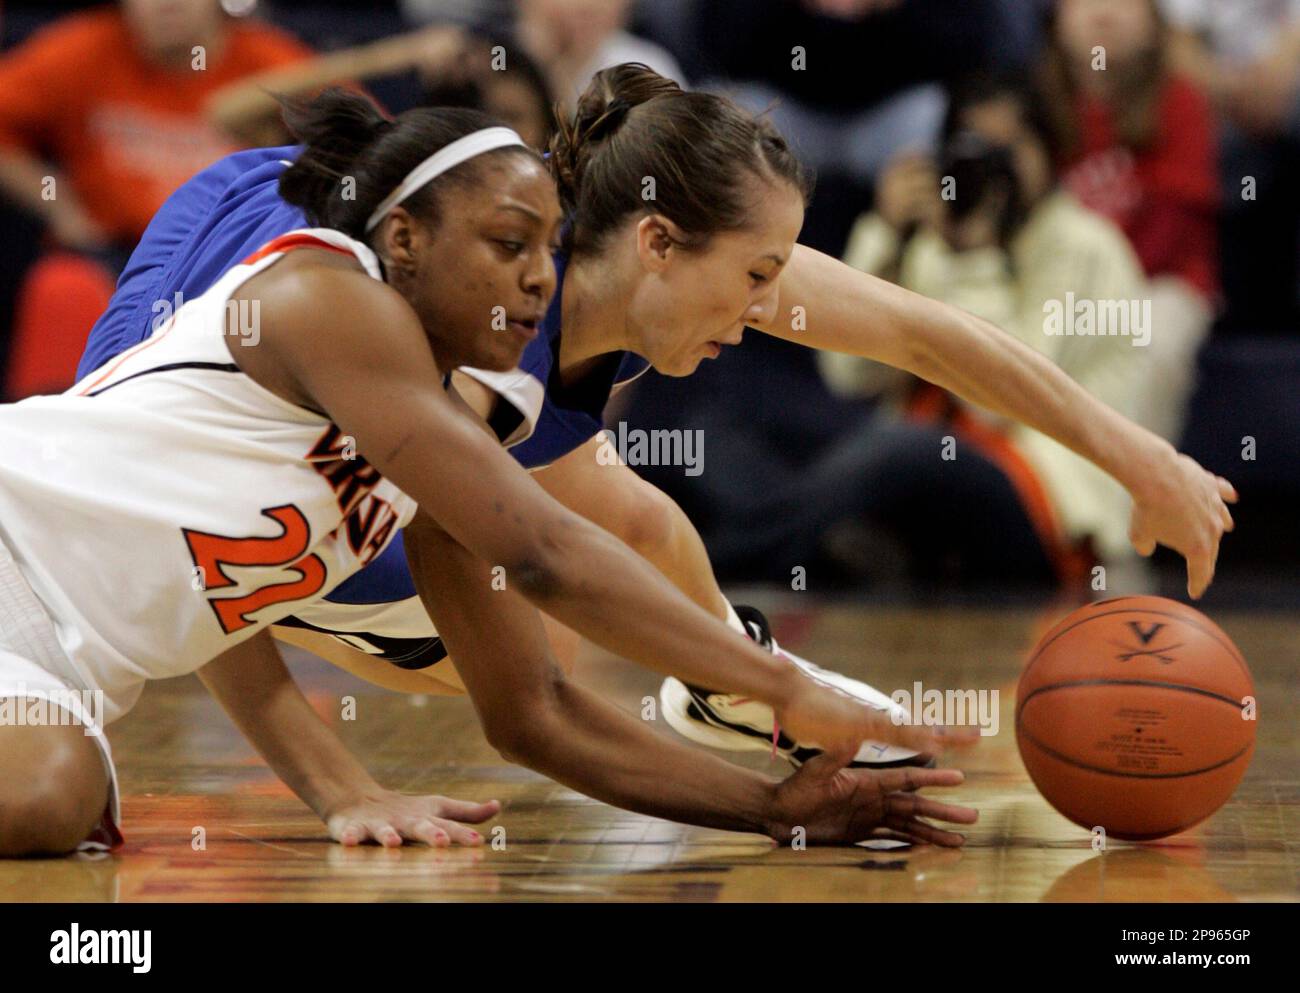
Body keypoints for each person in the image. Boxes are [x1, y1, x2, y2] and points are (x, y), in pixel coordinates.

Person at [81, 65, 1235, 844]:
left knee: (623, 531)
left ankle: (733, 693)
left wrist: (1144, 459)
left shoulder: (622, 228)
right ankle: (750, 688)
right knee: (482, 627)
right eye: (756, 276)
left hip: (400, 305)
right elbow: (203, 555)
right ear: (656, 245)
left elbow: (930, 330)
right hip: (221, 321)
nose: (773, 306)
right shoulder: (437, 345)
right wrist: (342, 789)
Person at [0, 92, 967, 857]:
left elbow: (532, 712)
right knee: (46, 797)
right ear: (406, 242)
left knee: (54, 796)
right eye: (506, 245)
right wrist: (779, 684)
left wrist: (775, 808)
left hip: (54, 662)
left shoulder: (445, 435)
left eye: (546, 246)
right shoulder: (327, 299)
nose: (538, 278)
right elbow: (547, 551)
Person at [818, 74, 1150, 585]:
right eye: (975, 148)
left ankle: (738, 561)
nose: (994, 167)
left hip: (1045, 496)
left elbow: (1007, 403)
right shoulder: (936, 241)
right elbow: (849, 375)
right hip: (929, 464)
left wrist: (973, 259)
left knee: (898, 455)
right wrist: (884, 233)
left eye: (1009, 146)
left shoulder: (1086, 246)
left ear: (1048, 146)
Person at [0, 0, 312, 398]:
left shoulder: (269, 61)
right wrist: (60, 205)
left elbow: (364, 150)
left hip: (231, 265)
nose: (166, 4)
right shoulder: (84, 50)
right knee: (62, 288)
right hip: (112, 257)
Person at [1037, 0, 1220, 443]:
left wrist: (1101, 295)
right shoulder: (1037, 105)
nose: (1105, 12)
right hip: (1059, 285)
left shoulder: (1180, 101)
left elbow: (1174, 230)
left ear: (1156, 23)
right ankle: (1041, 498)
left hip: (1160, 284)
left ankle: (1133, 498)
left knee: (1148, 345)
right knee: (1024, 340)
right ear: (1057, 20)